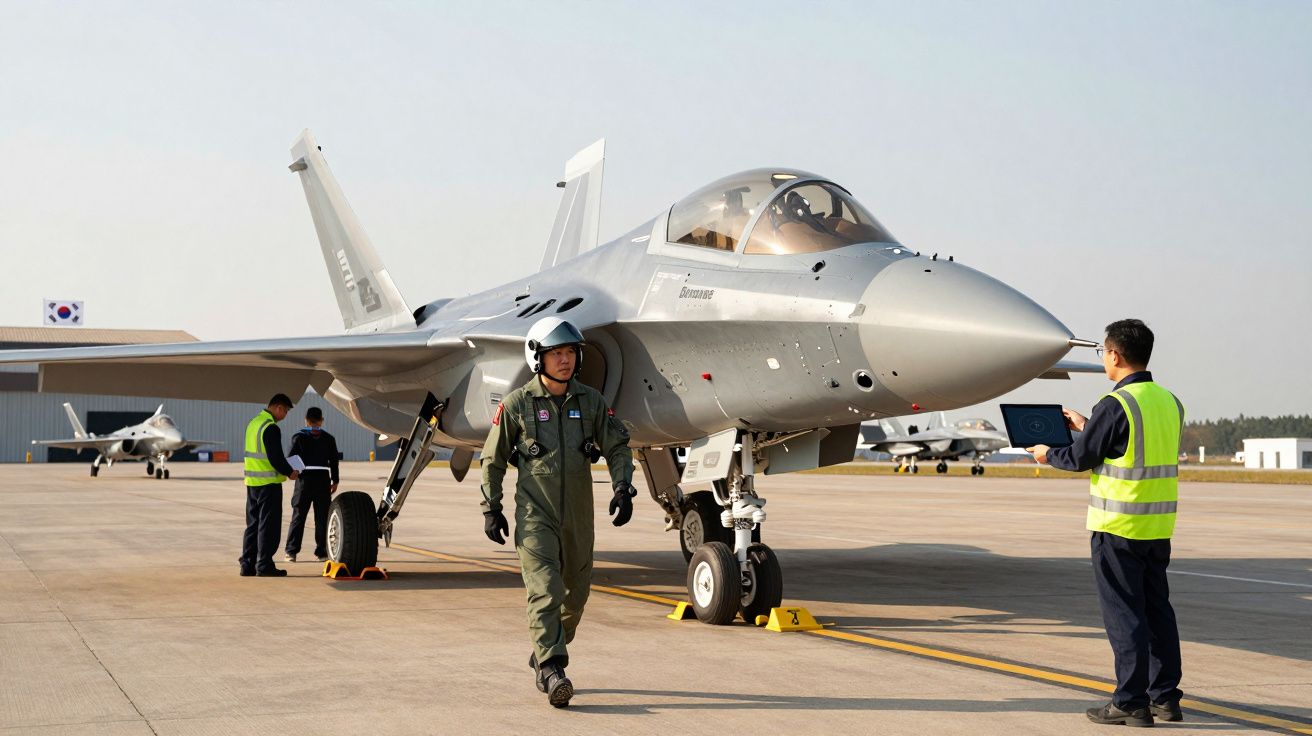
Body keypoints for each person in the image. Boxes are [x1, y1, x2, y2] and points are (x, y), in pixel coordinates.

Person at [1028, 319, 1184, 727]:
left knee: (1125, 615)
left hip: (1117, 526)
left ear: (1114, 355)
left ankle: (1130, 702)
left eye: (1103, 352)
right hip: (1157, 526)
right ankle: (1166, 698)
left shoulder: (1115, 404)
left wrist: (1047, 454)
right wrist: (1088, 426)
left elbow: (1080, 458)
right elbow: (1130, 445)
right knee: (1158, 611)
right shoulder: (1169, 402)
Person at [479, 317, 636, 708]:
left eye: (570, 352)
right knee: (545, 590)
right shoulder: (517, 405)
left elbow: (617, 446)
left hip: (579, 516)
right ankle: (552, 670)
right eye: (556, 354)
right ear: (538, 357)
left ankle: (543, 648)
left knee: (576, 596)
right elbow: (492, 459)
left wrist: (622, 486)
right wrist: (491, 507)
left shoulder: (591, 402)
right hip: (536, 515)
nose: (565, 360)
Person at [239, 394, 299, 577]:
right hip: (269, 484)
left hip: (252, 483)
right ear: (278, 407)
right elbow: (275, 458)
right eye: (286, 411)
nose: (285, 415)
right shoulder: (270, 427)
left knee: (253, 524)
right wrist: (290, 471)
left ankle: (247, 564)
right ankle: (264, 565)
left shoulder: (253, 423)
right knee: (268, 526)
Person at [283, 406, 340, 563]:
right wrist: (335, 480)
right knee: (322, 518)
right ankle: (322, 552)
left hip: (304, 480)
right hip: (323, 480)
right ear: (322, 420)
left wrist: (293, 472)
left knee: (298, 516)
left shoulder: (299, 437)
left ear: (306, 420)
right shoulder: (329, 438)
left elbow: (291, 458)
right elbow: (334, 461)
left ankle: (291, 552)